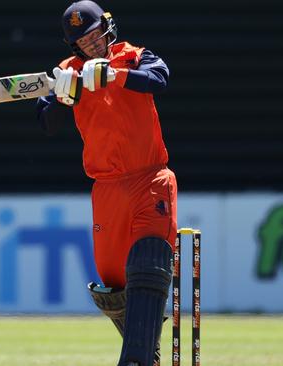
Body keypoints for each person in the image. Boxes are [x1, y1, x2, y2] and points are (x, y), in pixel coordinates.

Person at [36, 1, 177, 365]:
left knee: (149, 259)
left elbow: (161, 78)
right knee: (112, 284)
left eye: (96, 34)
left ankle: (136, 359)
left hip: (150, 177)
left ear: (108, 28)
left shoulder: (133, 56)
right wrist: (62, 101)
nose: (93, 43)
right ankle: (149, 351)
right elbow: (46, 122)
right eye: (84, 41)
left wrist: (116, 75)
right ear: (74, 47)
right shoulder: (67, 73)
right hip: (107, 187)